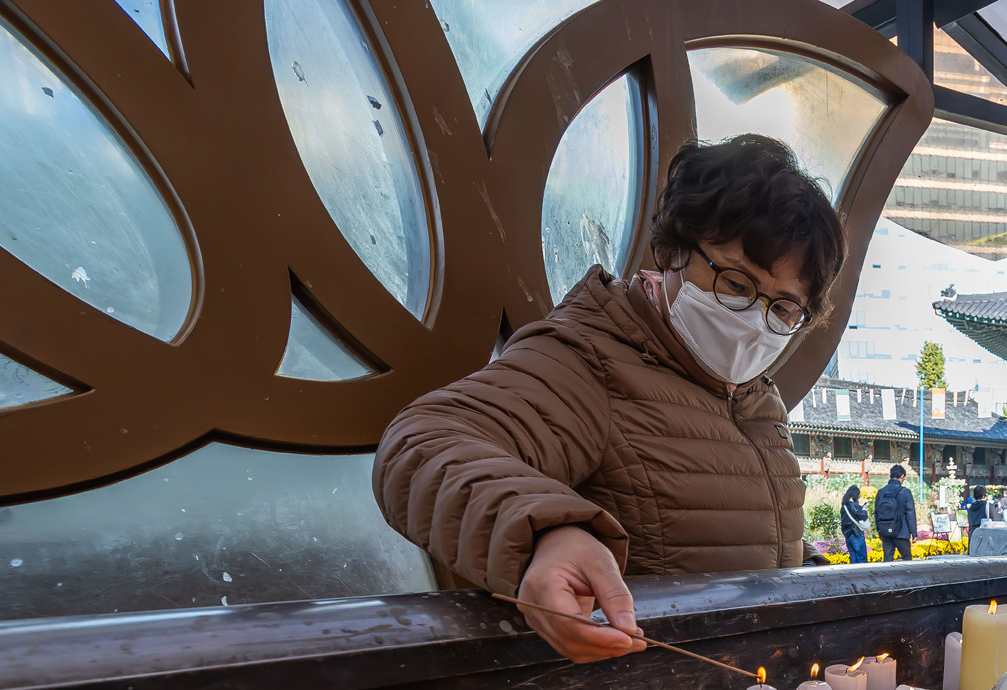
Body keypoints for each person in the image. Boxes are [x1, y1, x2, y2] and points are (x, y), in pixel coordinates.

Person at [374, 135, 845, 662]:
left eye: (783, 309)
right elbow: (424, 442)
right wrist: (545, 533)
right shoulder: (588, 360)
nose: (755, 321)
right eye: (736, 284)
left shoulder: (756, 401)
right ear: (673, 250)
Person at [873, 464, 917, 560]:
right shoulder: (905, 492)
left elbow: (876, 514)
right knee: (907, 560)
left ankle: (887, 575)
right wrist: (914, 533)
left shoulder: (881, 492)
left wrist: (880, 531)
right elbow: (910, 513)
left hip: (886, 531)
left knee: (888, 561)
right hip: (902, 532)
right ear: (902, 476)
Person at [839, 483, 869, 563]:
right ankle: (864, 575)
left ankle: (853, 575)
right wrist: (864, 509)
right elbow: (863, 516)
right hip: (856, 534)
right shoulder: (854, 505)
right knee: (861, 558)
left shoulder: (844, 506)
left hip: (848, 534)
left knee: (853, 558)